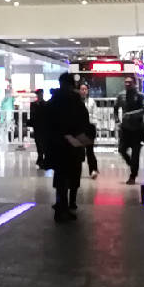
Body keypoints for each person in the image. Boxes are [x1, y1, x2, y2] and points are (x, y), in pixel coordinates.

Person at [45, 72, 92, 222]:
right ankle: (68, 205)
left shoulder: (54, 100)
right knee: (73, 174)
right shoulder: (75, 101)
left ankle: (61, 206)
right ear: (73, 85)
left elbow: (46, 122)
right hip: (73, 144)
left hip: (58, 144)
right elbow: (84, 121)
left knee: (60, 176)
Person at [78, 81, 100, 178]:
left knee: (90, 150)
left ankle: (93, 169)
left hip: (89, 128)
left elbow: (95, 115)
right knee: (79, 150)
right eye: (82, 89)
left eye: (85, 89)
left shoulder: (91, 101)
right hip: (79, 129)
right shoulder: (76, 102)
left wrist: (91, 122)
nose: (83, 91)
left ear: (88, 91)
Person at [29, 91, 49, 170]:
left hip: (43, 126)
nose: (41, 96)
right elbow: (32, 114)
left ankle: (42, 160)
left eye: (41, 94)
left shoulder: (45, 104)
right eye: (40, 94)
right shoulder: (34, 104)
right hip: (37, 126)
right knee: (38, 143)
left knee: (43, 143)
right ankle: (40, 158)